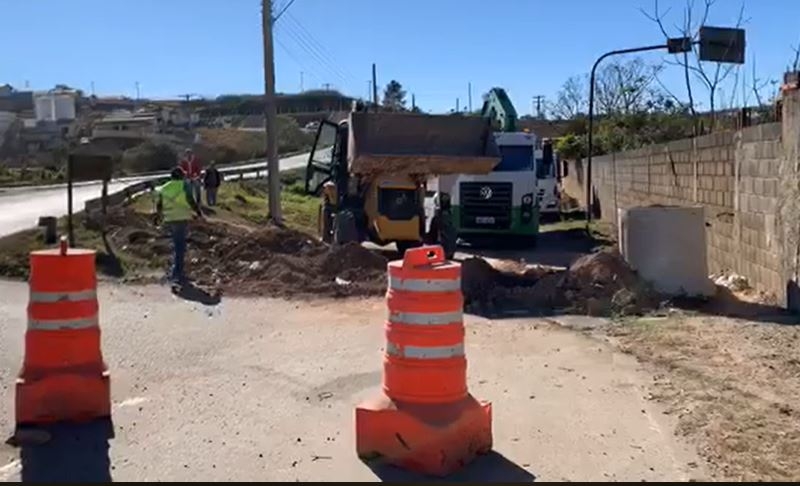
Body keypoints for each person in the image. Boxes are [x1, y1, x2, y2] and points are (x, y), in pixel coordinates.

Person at [156, 166, 203, 285]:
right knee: (180, 246)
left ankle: (175, 271)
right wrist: (198, 212)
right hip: (181, 218)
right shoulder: (184, 185)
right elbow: (190, 200)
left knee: (177, 244)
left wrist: (158, 217)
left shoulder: (164, 188)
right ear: (181, 176)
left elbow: (159, 205)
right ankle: (177, 273)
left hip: (170, 218)